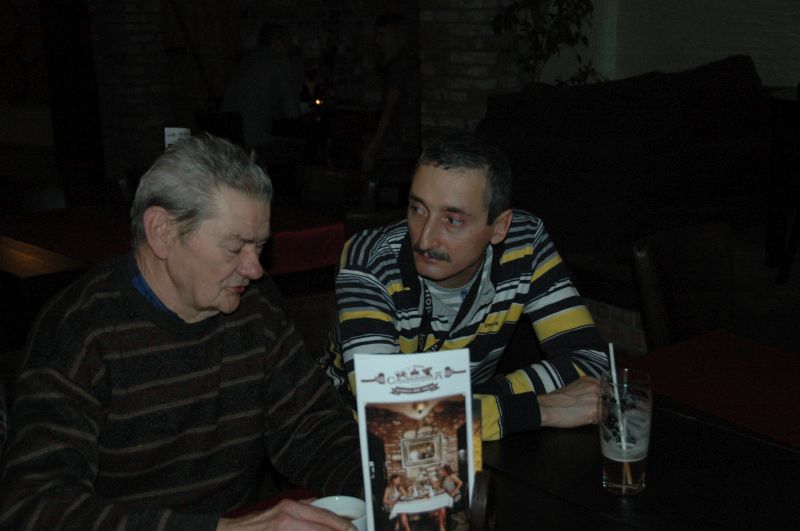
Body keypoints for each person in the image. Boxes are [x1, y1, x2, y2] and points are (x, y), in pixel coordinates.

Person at [0, 135, 361, 530]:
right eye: (235, 247)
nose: (255, 268)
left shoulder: (255, 307)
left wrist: (389, 485)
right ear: (162, 232)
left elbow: (313, 430)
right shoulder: (81, 330)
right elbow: (34, 504)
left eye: (259, 247)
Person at [321, 133, 609, 441]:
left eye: (453, 220)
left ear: (499, 227)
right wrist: (542, 408)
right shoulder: (367, 261)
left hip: (471, 436)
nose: (424, 239)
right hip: (344, 436)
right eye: (418, 209)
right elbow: (388, 415)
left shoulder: (524, 242)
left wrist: (466, 405)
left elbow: (592, 363)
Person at [360, 13, 421, 201]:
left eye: (383, 36)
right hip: (404, 143)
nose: (378, 42)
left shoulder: (399, 67)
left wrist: (372, 147)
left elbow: (390, 109)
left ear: (396, 37)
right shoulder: (404, 63)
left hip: (396, 145)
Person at [221, 23, 302, 151]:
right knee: (299, 147)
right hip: (254, 142)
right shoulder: (279, 63)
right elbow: (292, 112)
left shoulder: (244, 62)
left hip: (226, 139)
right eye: (288, 43)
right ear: (276, 43)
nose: (291, 48)